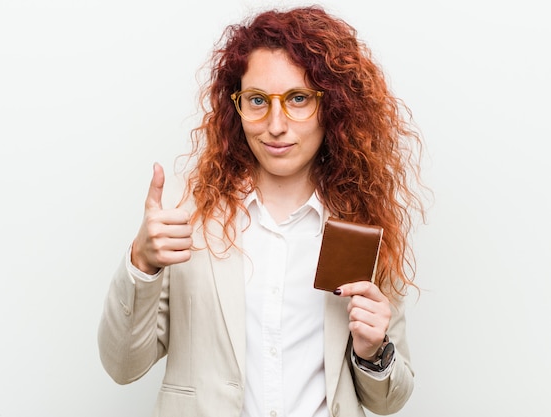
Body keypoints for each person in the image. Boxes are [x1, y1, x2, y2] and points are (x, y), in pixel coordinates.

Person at [98, 5, 426, 417]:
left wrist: (372, 351)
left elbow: (388, 401)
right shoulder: (187, 219)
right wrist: (141, 263)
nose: (275, 124)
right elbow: (122, 365)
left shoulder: (359, 226)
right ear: (237, 107)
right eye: (257, 100)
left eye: (298, 99)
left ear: (333, 107)